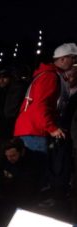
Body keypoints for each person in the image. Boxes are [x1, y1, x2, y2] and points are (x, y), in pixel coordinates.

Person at [13, 43, 76, 182]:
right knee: (34, 173)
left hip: (31, 129)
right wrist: (52, 128)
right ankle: (30, 201)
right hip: (34, 131)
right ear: (63, 59)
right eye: (73, 58)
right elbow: (40, 106)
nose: (74, 62)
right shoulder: (50, 76)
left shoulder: (49, 74)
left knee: (31, 172)